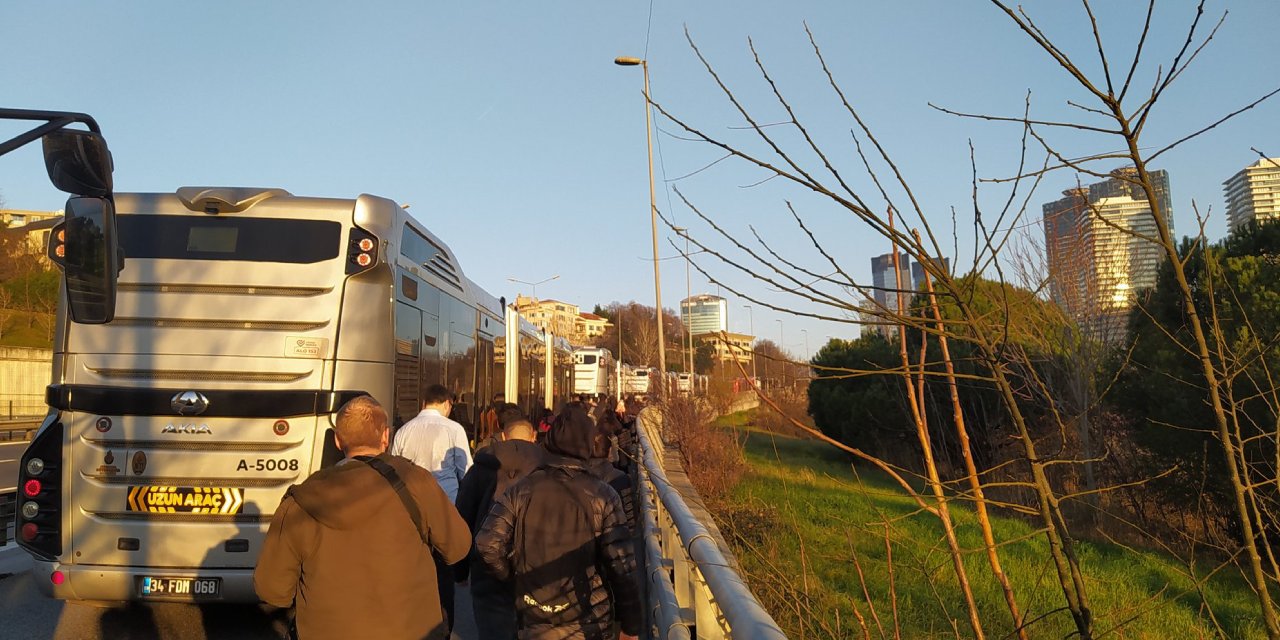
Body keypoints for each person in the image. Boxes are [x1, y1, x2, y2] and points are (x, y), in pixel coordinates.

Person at [254, 396, 470, 640]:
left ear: (337, 440)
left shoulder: (301, 499)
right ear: (386, 436)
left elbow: (272, 589)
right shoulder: (416, 482)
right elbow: (458, 547)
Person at [476, 406, 642, 640]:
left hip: (533, 616)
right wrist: (631, 625)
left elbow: (487, 544)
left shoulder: (521, 490)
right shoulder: (603, 495)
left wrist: (514, 577)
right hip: (587, 618)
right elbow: (621, 564)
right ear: (587, 444)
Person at [391, 383, 474, 631]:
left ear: (423, 403)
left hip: (409, 509)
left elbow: (394, 469)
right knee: (443, 575)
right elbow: (466, 472)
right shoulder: (454, 429)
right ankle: (443, 626)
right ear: (447, 403)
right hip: (445, 507)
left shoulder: (404, 430)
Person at [455, 418, 545, 640]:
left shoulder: (480, 468)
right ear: (533, 436)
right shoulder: (545, 468)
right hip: (535, 564)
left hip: (486, 563)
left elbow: (464, 514)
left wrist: (460, 569)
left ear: (503, 436)